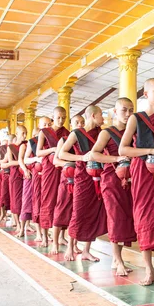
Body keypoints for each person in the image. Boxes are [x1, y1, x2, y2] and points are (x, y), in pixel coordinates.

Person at [118, 79, 154, 285]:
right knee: (145, 219)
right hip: (144, 174)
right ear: (145, 94)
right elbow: (123, 149)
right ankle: (149, 270)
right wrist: (151, 151)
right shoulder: (136, 119)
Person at [90, 98, 137, 276]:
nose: (128, 114)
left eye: (131, 110)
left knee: (125, 218)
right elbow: (94, 154)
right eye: (124, 110)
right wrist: (116, 159)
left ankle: (118, 259)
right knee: (115, 218)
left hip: (130, 180)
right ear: (115, 112)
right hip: (111, 180)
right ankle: (117, 260)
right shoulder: (107, 133)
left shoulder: (133, 131)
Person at [60, 105, 107, 262]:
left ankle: (86, 250)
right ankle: (70, 247)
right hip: (82, 176)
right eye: (101, 115)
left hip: (98, 176)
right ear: (93, 115)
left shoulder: (102, 133)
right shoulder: (77, 133)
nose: (103, 119)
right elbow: (62, 153)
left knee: (93, 212)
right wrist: (81, 157)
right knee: (78, 211)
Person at [50, 114, 84, 255]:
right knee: (61, 209)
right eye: (77, 122)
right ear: (71, 125)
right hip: (66, 179)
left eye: (82, 122)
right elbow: (56, 161)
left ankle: (73, 244)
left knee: (75, 212)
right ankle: (55, 243)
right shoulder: (64, 140)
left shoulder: (84, 141)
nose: (80, 125)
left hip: (80, 179)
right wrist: (73, 164)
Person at [36, 107, 69, 248]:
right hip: (49, 170)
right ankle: (44, 236)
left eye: (63, 117)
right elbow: (38, 152)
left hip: (62, 169)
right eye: (58, 118)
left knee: (62, 201)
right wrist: (52, 149)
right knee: (47, 201)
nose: (61, 120)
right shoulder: (44, 132)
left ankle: (61, 236)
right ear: (52, 117)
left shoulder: (67, 133)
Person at [6, 126, 28, 236]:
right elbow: (10, 162)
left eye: (26, 133)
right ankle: (18, 225)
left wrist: (23, 162)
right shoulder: (11, 147)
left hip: (25, 174)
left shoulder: (27, 144)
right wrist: (22, 162)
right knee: (15, 200)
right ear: (17, 133)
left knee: (25, 200)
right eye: (22, 133)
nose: (24, 136)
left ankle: (25, 224)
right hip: (15, 175)